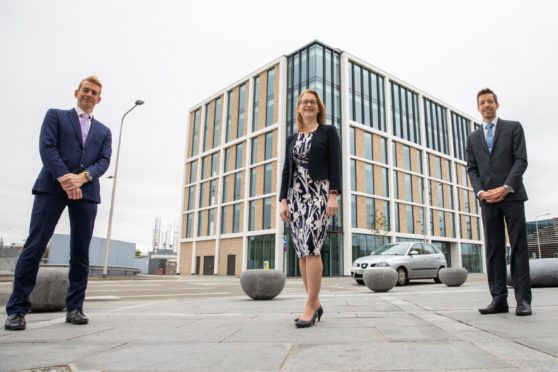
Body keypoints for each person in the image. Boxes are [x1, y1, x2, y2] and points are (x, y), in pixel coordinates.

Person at [4, 76, 112, 331]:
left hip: (86, 192)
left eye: (94, 92)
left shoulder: (104, 131)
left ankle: (75, 308)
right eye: (85, 90)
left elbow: (104, 161)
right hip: (52, 187)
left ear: (99, 99)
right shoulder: (55, 116)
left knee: (80, 251)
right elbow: (47, 148)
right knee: (35, 245)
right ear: (76, 92)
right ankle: (17, 309)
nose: (89, 94)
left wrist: (82, 178)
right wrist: (66, 179)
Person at [279, 89, 342, 328]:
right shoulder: (291, 139)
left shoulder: (328, 132)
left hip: (319, 194)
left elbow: (335, 164)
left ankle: (309, 305)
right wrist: (283, 200)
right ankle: (314, 302)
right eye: (303, 102)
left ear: (319, 107)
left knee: (313, 247)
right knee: (302, 252)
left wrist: (333, 194)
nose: (308, 105)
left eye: (312, 102)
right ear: (298, 108)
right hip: (296, 196)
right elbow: (287, 171)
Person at [466, 88, 531, 316]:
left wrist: (505, 187)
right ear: (478, 107)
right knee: (493, 250)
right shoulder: (473, 137)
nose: (486, 105)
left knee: (518, 248)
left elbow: (521, 160)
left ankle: (523, 300)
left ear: (497, 104)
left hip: (512, 196)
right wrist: (481, 192)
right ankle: (498, 299)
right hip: (488, 201)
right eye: (482, 102)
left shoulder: (513, 127)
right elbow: (472, 169)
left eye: (489, 101)